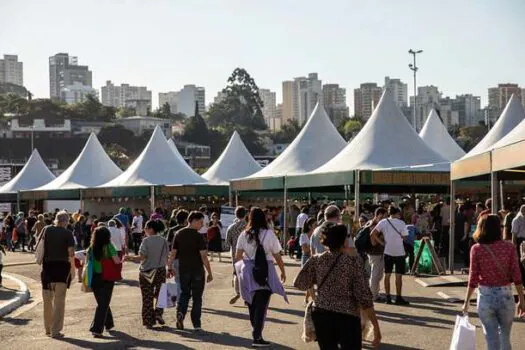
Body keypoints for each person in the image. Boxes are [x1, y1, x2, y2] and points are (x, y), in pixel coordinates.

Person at [294, 224, 381, 349]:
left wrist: (316, 294)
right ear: (344, 240)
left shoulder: (316, 260)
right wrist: (376, 327)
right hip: (347, 316)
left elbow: (300, 283)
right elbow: (364, 296)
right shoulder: (353, 262)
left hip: (321, 314)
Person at [462, 215, 525, 350]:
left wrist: (466, 302)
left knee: (491, 338)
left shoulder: (476, 249)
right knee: (505, 337)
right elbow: (517, 276)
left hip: (486, 296)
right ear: (498, 229)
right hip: (506, 295)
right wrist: (521, 299)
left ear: (481, 228)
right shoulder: (509, 248)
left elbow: (472, 278)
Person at [235, 207, 287, 347]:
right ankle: (257, 336)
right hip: (265, 271)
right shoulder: (269, 234)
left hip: (248, 271)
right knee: (262, 305)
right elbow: (277, 255)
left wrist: (243, 266)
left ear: (250, 218)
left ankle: (256, 333)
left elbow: (238, 256)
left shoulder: (244, 234)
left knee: (252, 303)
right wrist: (282, 271)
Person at [168, 211, 213, 331]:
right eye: (200, 222)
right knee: (197, 297)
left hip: (183, 270)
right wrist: (209, 272)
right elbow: (203, 256)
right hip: (197, 270)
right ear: (193, 220)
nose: (202, 225)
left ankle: (180, 313)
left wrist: (169, 267)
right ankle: (196, 324)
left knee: (184, 293)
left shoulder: (178, 234)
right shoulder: (198, 236)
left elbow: (173, 253)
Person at [125, 220, 169, 328]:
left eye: (145, 228)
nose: (144, 230)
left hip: (147, 271)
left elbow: (142, 257)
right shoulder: (164, 241)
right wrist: (171, 268)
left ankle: (149, 321)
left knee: (147, 297)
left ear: (151, 229)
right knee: (161, 294)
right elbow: (166, 257)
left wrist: (129, 257)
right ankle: (158, 313)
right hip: (160, 270)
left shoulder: (146, 241)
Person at [40, 210, 76, 338]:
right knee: (59, 301)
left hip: (47, 269)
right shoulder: (68, 233)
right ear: (65, 221)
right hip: (62, 269)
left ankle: (48, 329)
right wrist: (73, 268)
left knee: (47, 300)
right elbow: (71, 253)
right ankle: (56, 331)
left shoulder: (47, 230)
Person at [86, 226, 122, 337]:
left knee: (102, 302)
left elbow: (88, 262)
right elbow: (116, 261)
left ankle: (109, 323)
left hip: (94, 277)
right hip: (107, 277)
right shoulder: (109, 246)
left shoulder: (91, 247)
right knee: (103, 303)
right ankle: (96, 329)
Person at [371, 205, 410, 305]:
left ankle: (388, 298)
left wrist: (382, 243)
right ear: (397, 213)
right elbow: (405, 238)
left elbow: (373, 234)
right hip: (399, 252)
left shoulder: (383, 222)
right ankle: (398, 297)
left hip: (387, 251)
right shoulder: (401, 223)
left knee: (387, 275)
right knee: (398, 276)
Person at [225, 206, 247, 305]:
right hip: (248, 254)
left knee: (237, 274)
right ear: (245, 214)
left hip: (235, 254)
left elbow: (227, 243)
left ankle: (238, 292)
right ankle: (247, 296)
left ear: (235, 215)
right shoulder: (248, 227)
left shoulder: (231, 227)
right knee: (248, 275)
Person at [367, 208, 387, 302]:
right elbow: (372, 237)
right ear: (379, 215)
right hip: (375, 253)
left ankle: (375, 293)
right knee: (375, 275)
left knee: (378, 275)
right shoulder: (374, 224)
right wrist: (381, 243)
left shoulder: (371, 223)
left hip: (377, 253)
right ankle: (373, 295)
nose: (385, 218)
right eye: (384, 216)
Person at [300, 217, 316, 304]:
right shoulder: (303, 236)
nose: (317, 226)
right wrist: (313, 248)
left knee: (311, 281)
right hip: (306, 258)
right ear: (310, 226)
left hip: (314, 257)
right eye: (315, 225)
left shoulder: (316, 234)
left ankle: (306, 298)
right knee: (310, 281)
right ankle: (315, 301)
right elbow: (305, 249)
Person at [511, 205, 525, 282]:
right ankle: (522, 279)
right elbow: (514, 234)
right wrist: (514, 245)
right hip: (521, 241)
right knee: (521, 260)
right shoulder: (516, 220)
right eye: (523, 210)